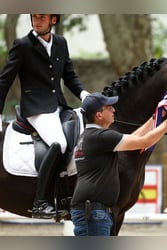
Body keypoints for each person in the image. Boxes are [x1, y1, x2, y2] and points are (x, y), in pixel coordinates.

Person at [0, 14, 90, 219]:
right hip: (36, 109)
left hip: (59, 106)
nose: (36, 21)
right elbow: (4, 81)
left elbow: (69, 76)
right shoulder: (22, 45)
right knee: (59, 143)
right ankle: (40, 202)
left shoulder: (60, 42)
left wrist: (84, 95)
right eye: (34, 17)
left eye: (42, 18)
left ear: (53, 20)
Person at [70, 92, 167, 236]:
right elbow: (144, 142)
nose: (113, 110)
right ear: (99, 115)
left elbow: (134, 138)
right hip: (94, 212)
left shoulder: (91, 135)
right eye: (109, 108)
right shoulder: (101, 137)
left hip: (92, 210)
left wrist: (156, 117)